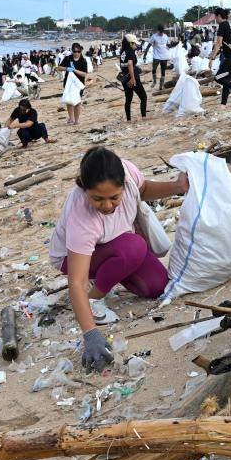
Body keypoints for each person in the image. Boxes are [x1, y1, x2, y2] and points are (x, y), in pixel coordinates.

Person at [48, 146, 188, 370]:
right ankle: (94, 297)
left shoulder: (128, 174)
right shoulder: (82, 215)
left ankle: (113, 270)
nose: (107, 206)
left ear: (124, 185)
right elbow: (76, 280)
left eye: (114, 197)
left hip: (117, 244)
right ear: (84, 190)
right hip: (75, 258)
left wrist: (178, 186)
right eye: (97, 199)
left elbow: (144, 189)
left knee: (156, 286)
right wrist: (90, 334)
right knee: (133, 247)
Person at [208, 7, 231, 105]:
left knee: (218, 78)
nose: (215, 19)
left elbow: (218, 44)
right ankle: (223, 104)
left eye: (215, 17)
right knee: (226, 80)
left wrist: (212, 58)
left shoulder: (222, 25)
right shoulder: (228, 24)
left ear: (218, 16)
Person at [60, 42, 91, 125]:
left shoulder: (83, 61)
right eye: (74, 51)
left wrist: (74, 70)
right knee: (69, 101)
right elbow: (58, 68)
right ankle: (71, 118)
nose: (76, 53)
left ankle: (76, 120)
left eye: (78, 51)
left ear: (80, 51)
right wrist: (67, 68)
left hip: (78, 84)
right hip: (68, 83)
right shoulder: (67, 58)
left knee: (77, 102)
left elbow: (85, 74)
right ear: (72, 51)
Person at [119, 33, 148, 122]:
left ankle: (128, 119)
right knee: (143, 97)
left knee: (128, 99)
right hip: (132, 77)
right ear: (130, 43)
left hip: (124, 78)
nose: (136, 46)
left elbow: (122, 64)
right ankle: (144, 117)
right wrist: (133, 78)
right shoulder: (130, 51)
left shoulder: (122, 51)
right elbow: (130, 64)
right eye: (134, 44)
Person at [143, 25, 172, 90]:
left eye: (162, 32)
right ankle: (155, 81)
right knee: (154, 69)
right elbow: (148, 46)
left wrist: (171, 46)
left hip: (164, 56)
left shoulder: (165, 36)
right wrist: (145, 55)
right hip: (156, 56)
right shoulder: (154, 36)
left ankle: (161, 86)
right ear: (158, 31)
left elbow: (168, 45)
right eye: (160, 32)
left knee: (163, 70)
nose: (161, 33)